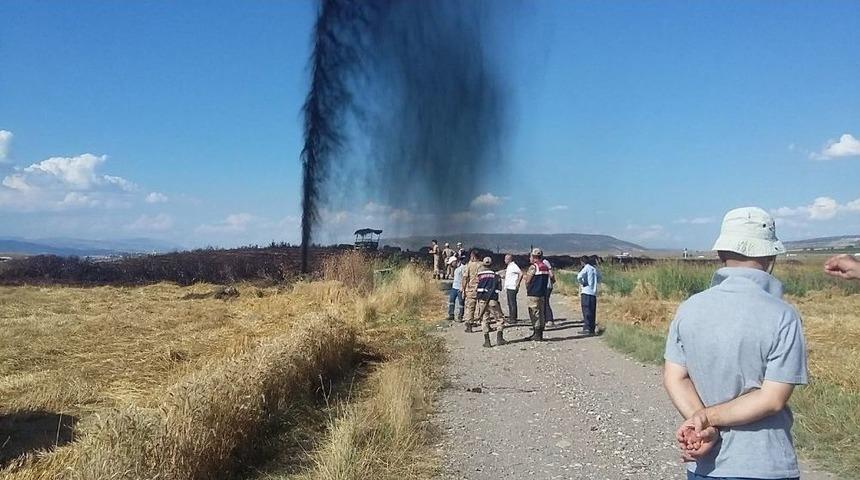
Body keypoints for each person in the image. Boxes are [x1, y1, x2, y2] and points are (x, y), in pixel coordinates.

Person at [663, 207, 808, 480]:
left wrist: (702, 423)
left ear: (720, 254)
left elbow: (675, 378)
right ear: (771, 255)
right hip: (766, 464)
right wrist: (706, 420)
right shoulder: (783, 315)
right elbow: (772, 399)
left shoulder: (688, 308)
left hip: (706, 467)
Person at [475, 256, 506, 347]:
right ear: (492, 264)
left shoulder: (479, 275)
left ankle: (487, 341)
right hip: (493, 300)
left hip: (482, 300)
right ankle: (499, 339)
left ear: (483, 265)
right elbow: (499, 288)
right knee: (499, 319)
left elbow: (477, 287)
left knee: (484, 319)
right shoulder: (496, 276)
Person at [523, 248, 550, 341]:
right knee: (541, 313)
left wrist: (527, 286)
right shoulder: (545, 267)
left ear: (534, 257)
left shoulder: (534, 267)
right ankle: (539, 333)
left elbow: (528, 280)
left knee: (534, 313)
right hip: (542, 293)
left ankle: (537, 333)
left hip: (533, 293)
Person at [576, 255, 601, 335]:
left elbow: (579, 276)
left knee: (586, 310)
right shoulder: (594, 269)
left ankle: (587, 328)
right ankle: (592, 329)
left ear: (582, 262)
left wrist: (583, 283)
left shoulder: (586, 268)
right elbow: (600, 278)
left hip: (586, 291)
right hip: (593, 293)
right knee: (592, 311)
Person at [460, 249, 483, 333]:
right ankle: (483, 322)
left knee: (470, 307)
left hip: (471, 289)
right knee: (482, 306)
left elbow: (465, 278)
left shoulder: (469, 265)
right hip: (481, 289)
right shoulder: (482, 265)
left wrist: (463, 289)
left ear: (472, 256)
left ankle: (469, 325)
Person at [503, 254, 522, 323]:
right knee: (509, 303)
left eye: (506, 259)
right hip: (509, 287)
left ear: (509, 259)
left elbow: (520, 273)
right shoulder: (509, 266)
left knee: (512, 302)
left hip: (512, 287)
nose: (504, 260)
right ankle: (511, 316)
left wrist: (518, 283)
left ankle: (513, 318)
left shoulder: (514, 266)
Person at [448, 257, 465, 321]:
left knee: (461, 303)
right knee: (451, 301)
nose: (450, 265)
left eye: (451, 263)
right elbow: (452, 276)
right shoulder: (455, 269)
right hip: (454, 287)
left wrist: (463, 287)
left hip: (460, 288)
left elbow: (465, 278)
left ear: (454, 261)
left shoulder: (463, 268)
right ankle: (451, 315)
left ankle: (460, 316)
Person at [543, 257, 556, 324]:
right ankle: (545, 318)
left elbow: (551, 274)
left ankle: (549, 319)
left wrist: (552, 280)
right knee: (544, 302)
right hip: (546, 285)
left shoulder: (545, 262)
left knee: (546, 302)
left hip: (547, 285)